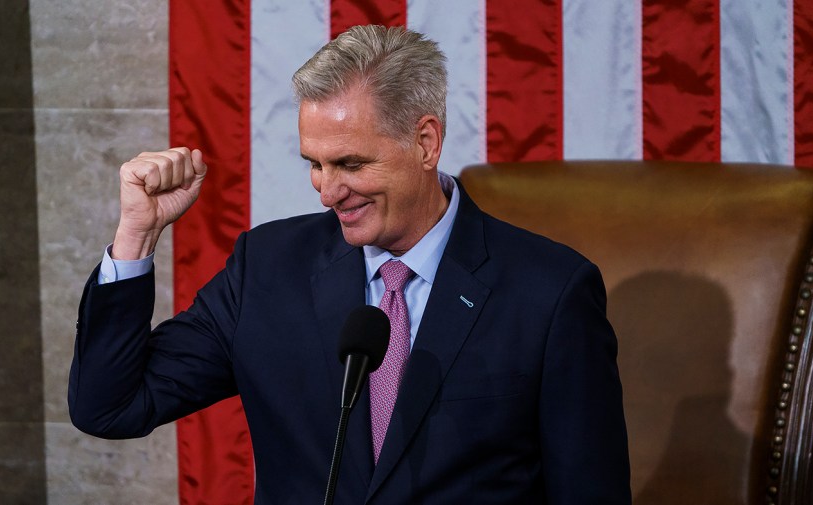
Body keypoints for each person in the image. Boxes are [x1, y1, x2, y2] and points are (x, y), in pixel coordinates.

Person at [69, 25, 631, 504]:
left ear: (426, 141)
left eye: (351, 163)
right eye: (314, 164)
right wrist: (137, 235)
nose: (327, 191)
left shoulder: (549, 291)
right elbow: (111, 407)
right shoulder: (265, 269)